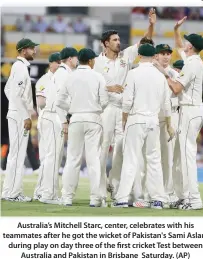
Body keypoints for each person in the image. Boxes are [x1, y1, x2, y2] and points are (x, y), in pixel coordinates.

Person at [94, 9, 155, 203]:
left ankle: (114, 182)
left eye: (119, 39)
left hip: (122, 110)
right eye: (114, 40)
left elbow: (144, 44)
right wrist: (108, 87)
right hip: (104, 109)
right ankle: (100, 190)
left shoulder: (125, 57)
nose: (118, 42)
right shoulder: (96, 62)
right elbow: (92, 85)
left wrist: (151, 25)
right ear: (105, 43)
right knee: (102, 149)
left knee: (121, 148)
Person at [112, 44, 174, 209]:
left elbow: (127, 101)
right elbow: (166, 104)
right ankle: (158, 199)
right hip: (153, 120)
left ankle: (122, 198)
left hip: (136, 119)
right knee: (154, 160)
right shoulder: (160, 76)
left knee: (131, 159)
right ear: (154, 56)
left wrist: (124, 120)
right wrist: (168, 125)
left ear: (139, 56)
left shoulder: (133, 73)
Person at [154, 22, 203, 210]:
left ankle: (194, 199)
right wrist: (176, 30)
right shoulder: (193, 60)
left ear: (191, 47)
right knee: (184, 158)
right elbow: (178, 46)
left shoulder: (192, 64)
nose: (183, 45)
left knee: (187, 157)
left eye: (186, 43)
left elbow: (176, 89)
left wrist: (162, 72)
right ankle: (186, 197)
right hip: (193, 111)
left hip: (190, 110)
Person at [56, 48, 109, 207]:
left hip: (76, 118)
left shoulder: (70, 77)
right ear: (91, 61)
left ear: (79, 60)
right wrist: (96, 107)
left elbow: (59, 101)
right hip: (93, 118)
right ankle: (94, 198)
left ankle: (67, 197)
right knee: (93, 159)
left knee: (72, 159)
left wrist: (71, 107)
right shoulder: (98, 76)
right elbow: (105, 101)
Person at [2, 38, 39, 202]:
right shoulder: (21, 68)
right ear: (24, 50)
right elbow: (15, 94)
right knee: (17, 154)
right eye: (32, 49)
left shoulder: (18, 67)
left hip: (15, 113)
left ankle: (8, 191)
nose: (35, 51)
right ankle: (14, 193)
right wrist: (24, 115)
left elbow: (7, 89)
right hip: (19, 116)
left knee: (14, 154)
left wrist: (14, 108)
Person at [32, 52, 62, 202]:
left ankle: (40, 191)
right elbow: (41, 102)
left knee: (46, 158)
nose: (59, 64)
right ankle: (48, 194)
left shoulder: (58, 78)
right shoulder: (45, 79)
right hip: (49, 117)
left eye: (61, 62)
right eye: (57, 62)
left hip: (47, 119)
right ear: (50, 63)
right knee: (52, 156)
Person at [155, 44, 180, 207]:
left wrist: (164, 73)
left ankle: (168, 192)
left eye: (168, 54)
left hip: (171, 113)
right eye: (162, 53)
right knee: (151, 157)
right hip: (153, 115)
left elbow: (176, 89)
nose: (166, 57)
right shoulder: (148, 71)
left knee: (168, 156)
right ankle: (151, 192)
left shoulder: (173, 72)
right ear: (155, 55)